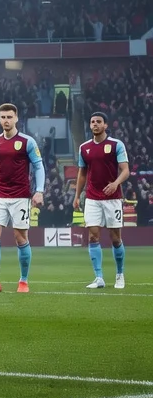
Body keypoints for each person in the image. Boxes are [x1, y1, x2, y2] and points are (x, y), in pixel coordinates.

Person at [0, 103, 44, 293]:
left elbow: (39, 167)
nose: (6, 120)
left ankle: (23, 281)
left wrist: (39, 190)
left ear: (16, 118)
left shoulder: (27, 142)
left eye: (9, 117)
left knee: (20, 237)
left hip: (20, 196)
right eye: (3, 117)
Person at [76, 112, 129, 289]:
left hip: (112, 198)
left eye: (99, 122)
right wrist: (77, 195)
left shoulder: (116, 145)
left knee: (115, 238)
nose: (95, 124)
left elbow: (125, 170)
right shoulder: (84, 148)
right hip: (92, 198)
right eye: (92, 122)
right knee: (93, 236)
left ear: (106, 125)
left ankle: (120, 274)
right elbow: (82, 173)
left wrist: (115, 184)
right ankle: (99, 277)